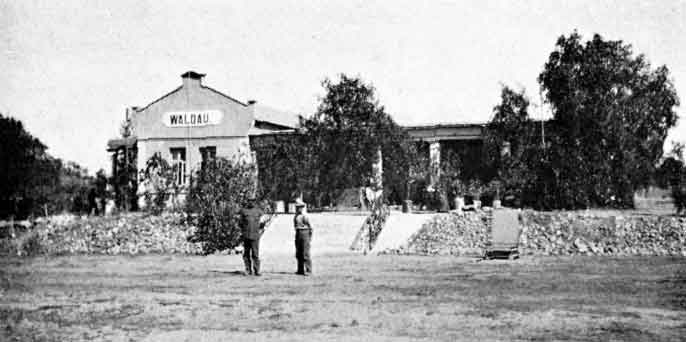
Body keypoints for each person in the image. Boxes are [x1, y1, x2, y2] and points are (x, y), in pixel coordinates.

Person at [240, 197, 265, 276]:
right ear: (247, 201)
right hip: (246, 236)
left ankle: (257, 270)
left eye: (253, 201)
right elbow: (240, 223)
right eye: (249, 201)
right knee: (246, 254)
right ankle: (248, 270)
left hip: (255, 236)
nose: (251, 202)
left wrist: (260, 231)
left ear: (255, 202)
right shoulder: (244, 211)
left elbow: (262, 224)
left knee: (255, 254)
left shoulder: (259, 211)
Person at [293, 198, 312, 276]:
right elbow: (295, 226)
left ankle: (308, 270)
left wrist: (309, 237)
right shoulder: (295, 216)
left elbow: (310, 227)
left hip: (305, 232)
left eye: (300, 207)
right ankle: (300, 269)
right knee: (298, 253)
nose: (299, 208)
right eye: (297, 207)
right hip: (298, 233)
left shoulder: (305, 216)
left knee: (305, 253)